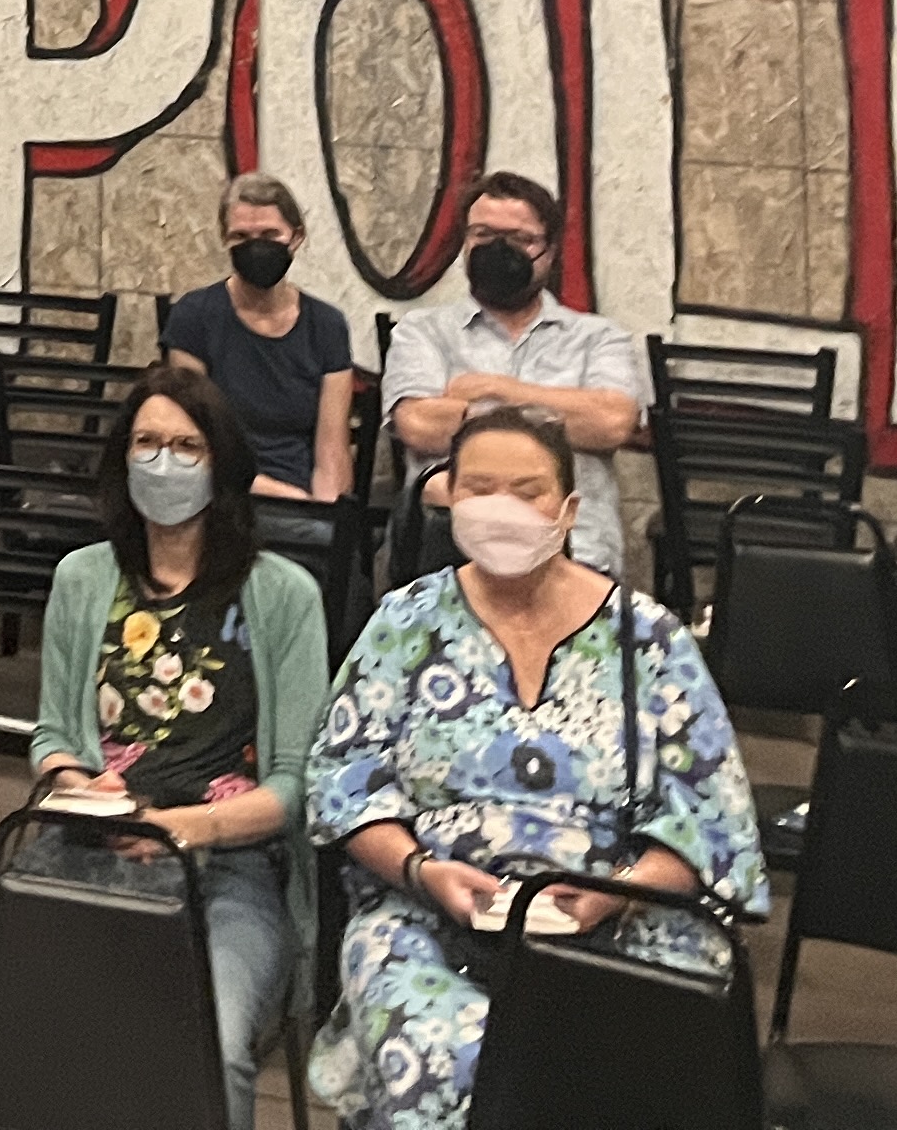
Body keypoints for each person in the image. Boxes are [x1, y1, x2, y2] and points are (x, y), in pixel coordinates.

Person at [306, 402, 767, 1130]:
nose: (502, 509)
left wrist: (615, 894)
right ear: (448, 497)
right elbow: (343, 779)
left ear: (569, 509)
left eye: (528, 492)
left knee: (618, 1067)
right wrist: (422, 872)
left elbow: (711, 816)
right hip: (434, 916)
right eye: (480, 488)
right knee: (445, 1056)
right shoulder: (405, 621)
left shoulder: (648, 639)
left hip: (620, 917)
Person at [26, 364, 328, 1130]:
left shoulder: (284, 594)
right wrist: (78, 783)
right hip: (92, 852)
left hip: (230, 867)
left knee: (209, 1042)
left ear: (221, 465)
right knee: (37, 1031)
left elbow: (295, 785)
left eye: (187, 447)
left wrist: (185, 828)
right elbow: (54, 735)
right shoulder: (82, 579)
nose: (164, 463)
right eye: (147, 444)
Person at [378, 173, 646, 579]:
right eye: (484, 234)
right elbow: (420, 425)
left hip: (579, 555)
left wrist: (492, 389)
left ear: (550, 251)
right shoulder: (422, 331)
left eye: (521, 239)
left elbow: (610, 424)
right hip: (448, 558)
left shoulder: (599, 338)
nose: (499, 250)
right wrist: (562, 411)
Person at [162, 173, 358, 500]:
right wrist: (279, 496)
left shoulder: (327, 325)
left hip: (301, 499)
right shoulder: (194, 316)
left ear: (296, 237)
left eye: (270, 234)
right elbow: (191, 442)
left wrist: (323, 513)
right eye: (241, 236)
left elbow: (332, 452)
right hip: (219, 494)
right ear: (225, 240)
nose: (256, 247)